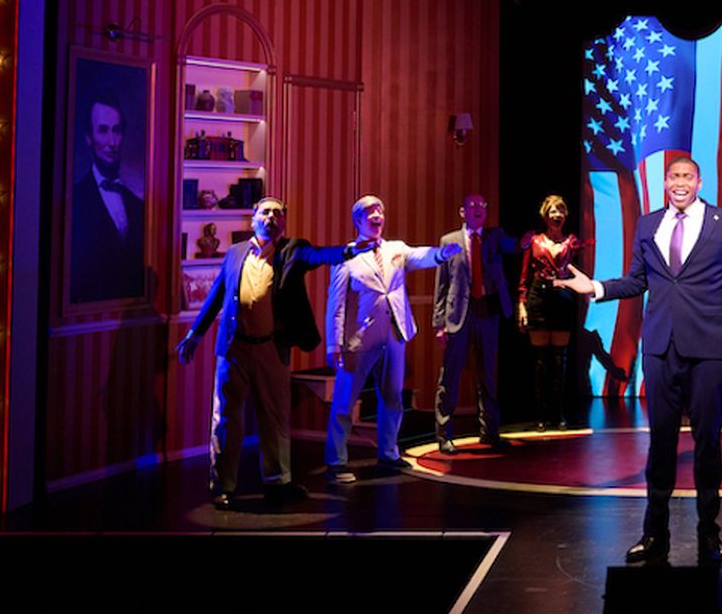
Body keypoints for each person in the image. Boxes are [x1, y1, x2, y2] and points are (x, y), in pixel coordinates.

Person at [555, 157, 722, 565]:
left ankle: (707, 535)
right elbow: (637, 280)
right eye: (674, 177)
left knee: (706, 446)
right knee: (661, 444)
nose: (680, 183)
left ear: (699, 181)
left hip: (709, 349)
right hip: (661, 348)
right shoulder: (648, 224)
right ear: (665, 183)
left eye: (687, 176)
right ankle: (655, 536)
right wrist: (595, 286)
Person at [175, 197, 356, 509]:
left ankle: (278, 482)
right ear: (253, 219)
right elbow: (217, 294)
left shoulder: (292, 250)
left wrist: (350, 250)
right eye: (266, 212)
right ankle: (222, 485)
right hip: (233, 348)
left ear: (283, 222)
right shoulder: (234, 253)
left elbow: (320, 255)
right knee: (226, 419)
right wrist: (195, 334)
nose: (272, 217)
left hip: (272, 347)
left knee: (274, 418)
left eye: (278, 213)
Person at [324, 196, 461, 481]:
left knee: (392, 398)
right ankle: (336, 461)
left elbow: (420, 256)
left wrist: (442, 253)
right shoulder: (346, 256)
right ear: (358, 220)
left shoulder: (396, 249)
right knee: (344, 402)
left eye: (379, 211)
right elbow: (335, 304)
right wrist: (333, 344)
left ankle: (388, 453)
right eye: (369, 212)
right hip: (358, 340)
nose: (376, 215)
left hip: (394, 334)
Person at [434, 194, 513, 453]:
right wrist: (439, 324)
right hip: (459, 317)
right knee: (451, 375)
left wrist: (524, 243)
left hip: (488, 313)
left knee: (488, 375)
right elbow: (442, 286)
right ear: (462, 212)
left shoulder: (494, 237)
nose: (479, 209)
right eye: (473, 206)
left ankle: (490, 431)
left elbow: (512, 246)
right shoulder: (449, 241)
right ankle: (444, 434)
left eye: (483, 205)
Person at [70, 90, 145, 304]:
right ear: (88, 137)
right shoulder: (74, 201)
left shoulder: (138, 206)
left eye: (117, 131)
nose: (112, 142)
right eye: (103, 131)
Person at [517, 194, 584, 430]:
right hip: (538, 298)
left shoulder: (572, 242)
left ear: (565, 216)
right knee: (539, 361)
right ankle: (540, 414)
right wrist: (522, 304)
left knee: (560, 359)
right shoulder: (533, 241)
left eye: (561, 210)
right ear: (545, 215)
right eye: (553, 211)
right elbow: (524, 276)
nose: (557, 215)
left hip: (563, 298)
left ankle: (559, 413)